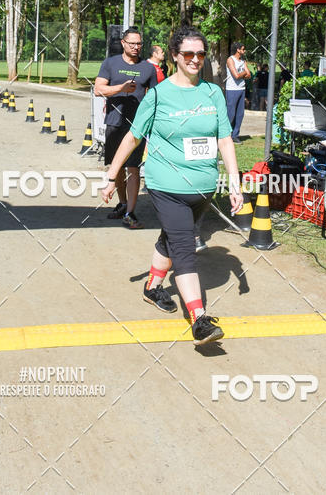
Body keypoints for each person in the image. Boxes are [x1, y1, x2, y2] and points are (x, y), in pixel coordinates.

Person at [101, 25, 243, 347]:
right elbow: (133, 136)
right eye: (189, 54)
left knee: (172, 237)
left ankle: (152, 286)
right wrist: (112, 175)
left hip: (204, 187)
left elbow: (224, 139)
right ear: (176, 57)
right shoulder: (159, 95)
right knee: (184, 247)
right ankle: (199, 319)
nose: (196, 60)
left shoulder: (213, 93)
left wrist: (234, 183)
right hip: (167, 185)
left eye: (201, 54)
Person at [94, 27, 157, 228]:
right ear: (123, 43)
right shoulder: (110, 63)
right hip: (114, 123)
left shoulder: (148, 68)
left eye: (139, 44)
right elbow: (98, 89)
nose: (136, 47)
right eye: (132, 43)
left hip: (137, 127)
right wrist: (120, 89)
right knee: (116, 166)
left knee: (133, 168)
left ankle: (130, 212)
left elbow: (155, 97)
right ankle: (122, 204)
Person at [225, 42, 250, 143]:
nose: (244, 51)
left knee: (240, 114)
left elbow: (249, 75)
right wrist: (244, 72)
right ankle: (226, 135)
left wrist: (243, 73)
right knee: (231, 114)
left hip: (241, 89)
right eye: (243, 49)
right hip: (232, 89)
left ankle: (235, 135)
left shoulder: (243, 61)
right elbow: (236, 76)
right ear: (238, 50)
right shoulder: (230, 60)